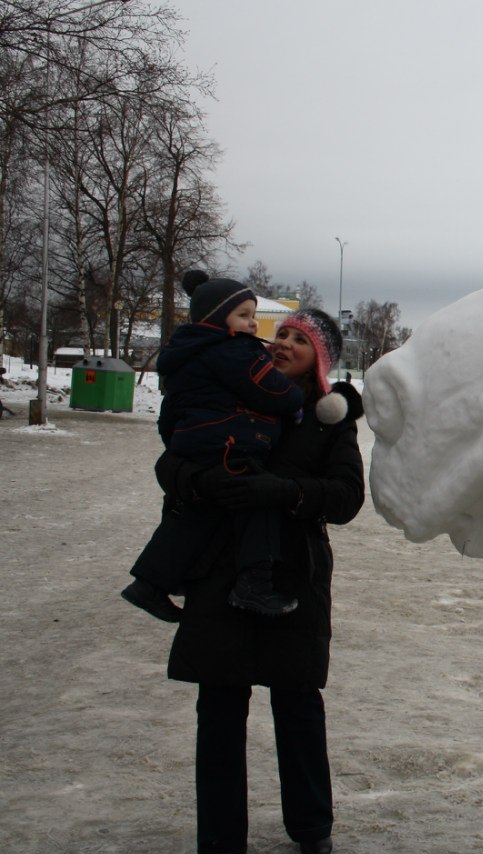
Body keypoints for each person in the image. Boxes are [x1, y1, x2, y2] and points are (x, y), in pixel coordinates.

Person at [154, 307, 363, 854]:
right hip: (221, 570)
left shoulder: (329, 418)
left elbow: (346, 498)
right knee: (219, 711)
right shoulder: (228, 396)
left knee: (298, 707)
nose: (283, 343)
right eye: (281, 334)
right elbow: (170, 463)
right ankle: (221, 839)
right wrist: (202, 482)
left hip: (294, 575)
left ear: (319, 360)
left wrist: (284, 492)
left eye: (299, 339)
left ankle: (311, 829)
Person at [122, 271, 304, 620]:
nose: (253, 324)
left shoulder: (191, 352)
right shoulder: (232, 350)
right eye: (244, 316)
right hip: (228, 444)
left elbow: (171, 417)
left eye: (253, 315)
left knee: (196, 512)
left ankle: (151, 582)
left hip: (203, 442)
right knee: (258, 500)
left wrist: (184, 443)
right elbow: (265, 387)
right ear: (217, 319)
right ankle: (253, 584)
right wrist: (293, 399)